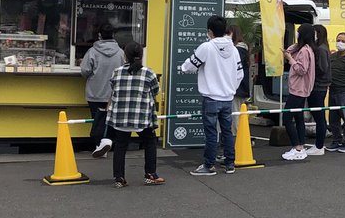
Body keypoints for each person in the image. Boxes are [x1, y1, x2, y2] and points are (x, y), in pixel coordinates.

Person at [179, 15, 245, 176]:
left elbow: (188, 67)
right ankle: (230, 163)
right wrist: (230, 88)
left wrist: (185, 67)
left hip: (211, 98)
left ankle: (209, 165)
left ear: (210, 31)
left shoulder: (206, 47)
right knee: (227, 131)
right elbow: (240, 74)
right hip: (228, 98)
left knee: (211, 133)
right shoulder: (234, 49)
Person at [106, 41, 163, 187]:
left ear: (125, 56)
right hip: (141, 117)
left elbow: (113, 89)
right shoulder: (148, 73)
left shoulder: (117, 72)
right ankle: (150, 174)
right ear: (141, 55)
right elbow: (156, 91)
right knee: (150, 142)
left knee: (120, 146)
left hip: (121, 116)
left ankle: (119, 178)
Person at [81, 23, 126, 159]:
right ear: (113, 35)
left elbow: (85, 71)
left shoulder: (92, 52)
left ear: (99, 35)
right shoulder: (120, 52)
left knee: (97, 120)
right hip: (113, 94)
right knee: (111, 120)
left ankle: (99, 146)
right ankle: (109, 142)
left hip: (95, 93)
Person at [282, 24, 315, 161]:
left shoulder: (305, 51)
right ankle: (300, 146)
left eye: (298, 32)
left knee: (287, 118)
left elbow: (302, 69)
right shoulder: (305, 49)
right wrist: (289, 53)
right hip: (300, 89)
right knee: (298, 118)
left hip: (298, 89)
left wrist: (290, 59)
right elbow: (290, 50)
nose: (296, 34)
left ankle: (297, 147)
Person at [303, 25, 331, 155]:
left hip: (318, 86)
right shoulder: (322, 48)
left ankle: (319, 146)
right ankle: (318, 145)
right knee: (318, 115)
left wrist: (311, 72)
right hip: (319, 85)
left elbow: (323, 68)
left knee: (319, 116)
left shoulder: (320, 49)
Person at [228, 24, 251, 115]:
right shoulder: (242, 48)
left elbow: (234, 68)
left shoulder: (238, 49)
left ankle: (238, 130)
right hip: (240, 89)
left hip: (238, 90)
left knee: (235, 117)